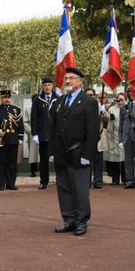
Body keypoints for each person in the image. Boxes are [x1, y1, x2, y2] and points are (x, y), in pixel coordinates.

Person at [52, 67, 98, 236]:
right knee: (64, 188)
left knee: (80, 189)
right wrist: (53, 151)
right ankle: (69, 219)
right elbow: (55, 127)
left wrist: (87, 155)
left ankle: (81, 221)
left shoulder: (89, 101)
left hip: (79, 153)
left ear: (80, 81)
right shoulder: (61, 101)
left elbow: (93, 131)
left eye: (71, 78)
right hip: (62, 153)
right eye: (66, 78)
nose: (68, 81)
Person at [0, 90, 24, 190]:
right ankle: (1, 183)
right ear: (1, 99)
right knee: (0, 163)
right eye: (4, 98)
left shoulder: (17, 110)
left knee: (12, 163)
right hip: (1, 140)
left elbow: (20, 125)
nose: (6, 99)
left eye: (8, 98)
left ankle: (11, 183)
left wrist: (20, 138)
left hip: (13, 139)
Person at [31, 78, 58, 189]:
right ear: (42, 87)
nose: (47, 87)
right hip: (44, 135)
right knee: (44, 160)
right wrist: (35, 134)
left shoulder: (58, 99)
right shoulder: (38, 100)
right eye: (45, 85)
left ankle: (60, 180)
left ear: (52, 86)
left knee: (59, 160)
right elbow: (34, 118)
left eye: (49, 85)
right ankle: (44, 181)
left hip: (56, 134)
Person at [86, 90, 109, 189]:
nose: (90, 96)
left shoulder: (98, 106)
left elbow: (107, 119)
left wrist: (103, 111)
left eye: (91, 95)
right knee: (86, 162)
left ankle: (98, 181)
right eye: (88, 95)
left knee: (98, 161)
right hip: (86, 138)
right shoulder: (81, 106)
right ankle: (87, 181)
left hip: (98, 137)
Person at [104, 93, 126, 185]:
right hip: (113, 136)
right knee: (114, 159)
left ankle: (125, 179)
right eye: (118, 99)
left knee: (124, 159)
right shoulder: (112, 109)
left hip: (124, 137)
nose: (120, 101)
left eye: (122, 99)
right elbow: (107, 119)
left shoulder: (127, 109)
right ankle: (115, 179)